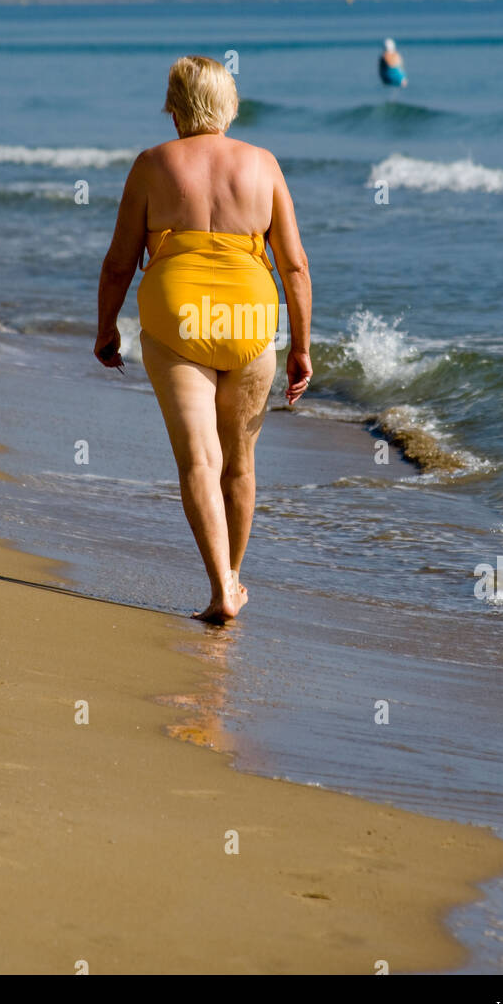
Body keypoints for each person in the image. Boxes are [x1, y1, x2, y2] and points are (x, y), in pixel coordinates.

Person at [94, 56, 313, 624]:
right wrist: (301, 348)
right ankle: (233, 579)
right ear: (230, 104)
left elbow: (119, 262)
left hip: (177, 318)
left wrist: (106, 329)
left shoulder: (151, 164)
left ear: (173, 107)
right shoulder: (263, 164)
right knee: (238, 464)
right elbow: (294, 268)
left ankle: (220, 587)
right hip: (248, 321)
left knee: (199, 458)